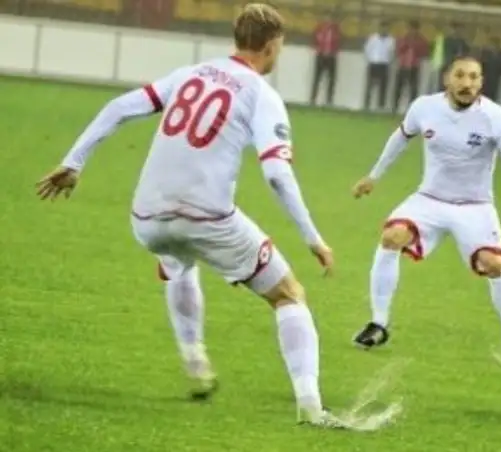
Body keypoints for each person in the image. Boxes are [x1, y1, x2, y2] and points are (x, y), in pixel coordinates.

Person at [35, 3, 347, 429]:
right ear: (272, 46)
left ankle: (195, 360)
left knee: (177, 259)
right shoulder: (262, 94)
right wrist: (313, 238)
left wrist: (74, 162)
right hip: (208, 220)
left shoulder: (191, 73)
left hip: (147, 218)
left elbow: (119, 107)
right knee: (289, 295)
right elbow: (277, 174)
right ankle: (311, 407)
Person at [351, 56, 501, 366]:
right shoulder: (424, 107)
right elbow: (400, 138)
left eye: (474, 77)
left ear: (481, 82)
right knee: (392, 237)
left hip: (475, 206)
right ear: (447, 79)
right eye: (460, 75)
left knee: (495, 265)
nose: (467, 83)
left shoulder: (496, 117)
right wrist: (373, 176)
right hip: (429, 199)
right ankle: (378, 323)